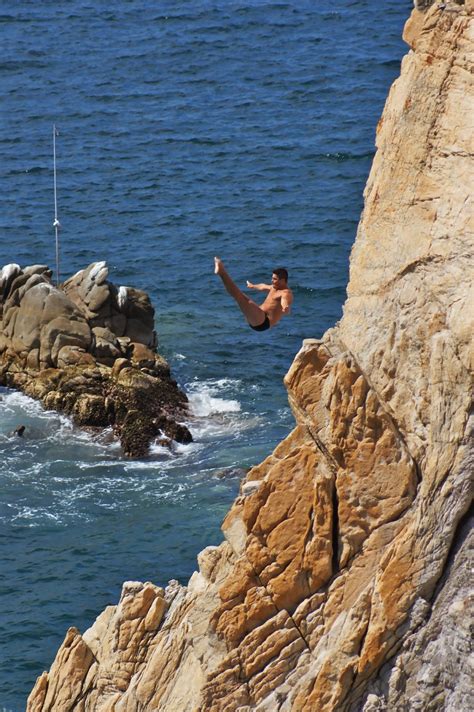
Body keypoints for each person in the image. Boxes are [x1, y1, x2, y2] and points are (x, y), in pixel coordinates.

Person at [214, 257, 293, 331]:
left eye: (275, 279)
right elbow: (263, 286)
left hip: (263, 322)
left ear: (282, 280)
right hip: (258, 317)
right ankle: (222, 272)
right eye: (272, 278)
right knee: (239, 297)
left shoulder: (285, 293)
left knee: (239, 296)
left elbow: (285, 300)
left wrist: (285, 307)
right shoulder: (274, 287)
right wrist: (253, 286)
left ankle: (222, 272)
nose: (272, 281)